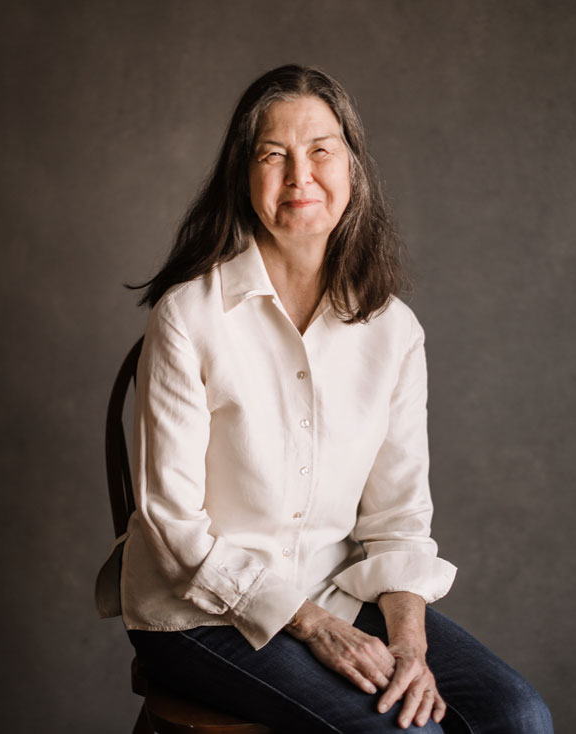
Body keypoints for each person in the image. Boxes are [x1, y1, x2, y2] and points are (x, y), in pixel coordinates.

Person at [113, 65, 553, 733]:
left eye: (320, 150)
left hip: (333, 589)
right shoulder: (188, 317)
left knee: (517, 717)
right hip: (197, 610)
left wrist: (409, 644)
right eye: (272, 155)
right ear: (243, 175)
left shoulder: (392, 330)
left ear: (353, 169)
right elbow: (172, 528)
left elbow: (398, 518)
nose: (300, 176)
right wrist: (312, 625)